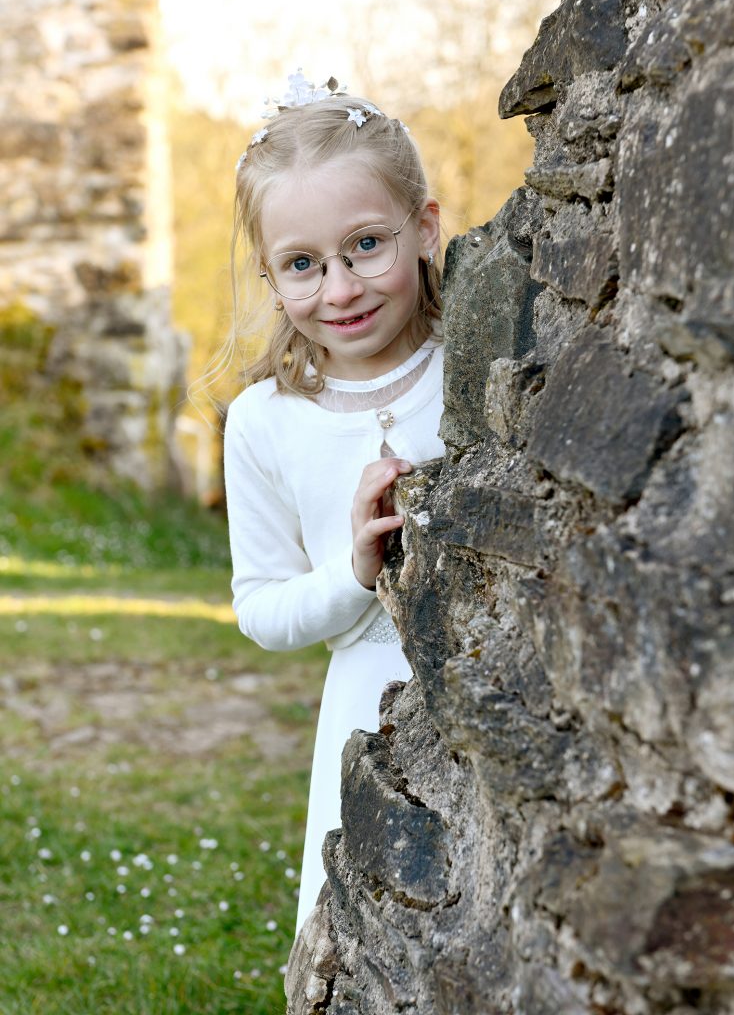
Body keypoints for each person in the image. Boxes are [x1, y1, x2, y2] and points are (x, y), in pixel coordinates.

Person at [222, 72, 445, 935]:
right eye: (303, 264)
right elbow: (261, 607)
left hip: (501, 680)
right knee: (372, 929)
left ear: (424, 227)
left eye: (366, 246)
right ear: (271, 277)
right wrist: (352, 576)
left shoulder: (477, 361)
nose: (341, 288)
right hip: (364, 698)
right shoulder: (263, 422)